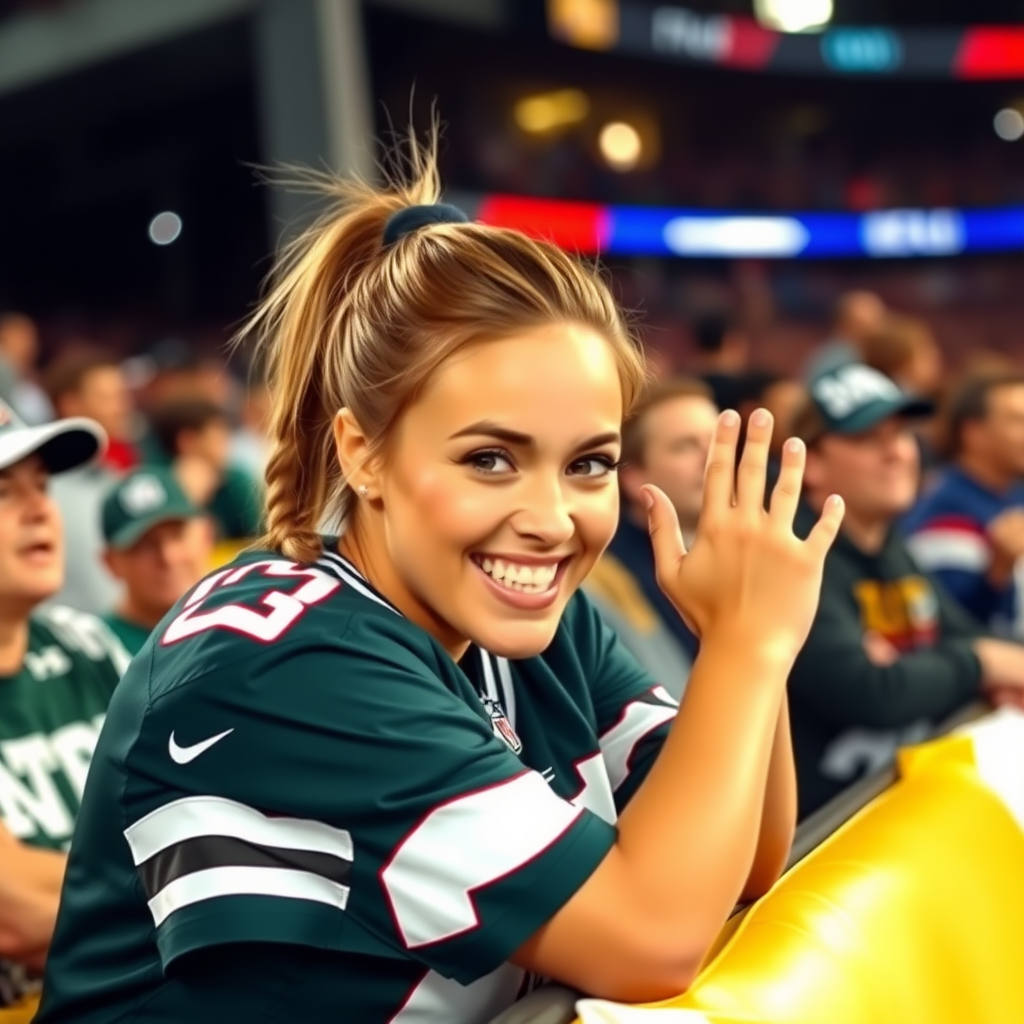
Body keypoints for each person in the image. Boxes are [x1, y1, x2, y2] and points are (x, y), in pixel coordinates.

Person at [37, 141, 844, 1023]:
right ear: (365, 455)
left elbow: (737, 866)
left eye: (589, 463)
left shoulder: (530, 612)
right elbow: (652, 936)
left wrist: (746, 644)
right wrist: (747, 645)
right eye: (491, 459)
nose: (552, 517)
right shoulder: (288, 662)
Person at [786, 361, 1024, 818]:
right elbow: (872, 691)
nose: (896, 451)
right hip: (816, 841)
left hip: (896, 809)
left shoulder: (889, 545)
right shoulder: (794, 554)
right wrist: (983, 665)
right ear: (811, 464)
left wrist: (953, 665)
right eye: (867, 439)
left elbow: (963, 634)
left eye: (899, 434)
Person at [0, 400, 129, 1011]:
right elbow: (15, 910)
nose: (39, 509)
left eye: (42, 486)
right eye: (4, 490)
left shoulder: (89, 646)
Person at [603, 377, 717, 666]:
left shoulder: (749, 552)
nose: (712, 459)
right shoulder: (608, 578)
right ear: (634, 476)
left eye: (718, 442)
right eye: (685, 446)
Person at [904, 372, 1024, 637]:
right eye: (1017, 421)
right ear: (974, 433)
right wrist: (997, 572)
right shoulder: (946, 514)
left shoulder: (1014, 492)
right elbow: (951, 629)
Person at [43, 351, 136, 613]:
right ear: (70, 404)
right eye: (108, 398)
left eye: (123, 396)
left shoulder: (118, 478)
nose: (123, 406)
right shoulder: (45, 493)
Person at [100, 467, 213, 656]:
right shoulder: (97, 652)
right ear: (111, 563)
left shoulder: (242, 623)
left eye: (178, 535)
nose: (168, 557)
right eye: (145, 544)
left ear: (206, 536)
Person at [147, 397, 263, 542]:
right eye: (217, 439)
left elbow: (259, 538)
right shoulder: (153, 484)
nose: (226, 446)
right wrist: (186, 499)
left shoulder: (236, 481)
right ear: (187, 441)